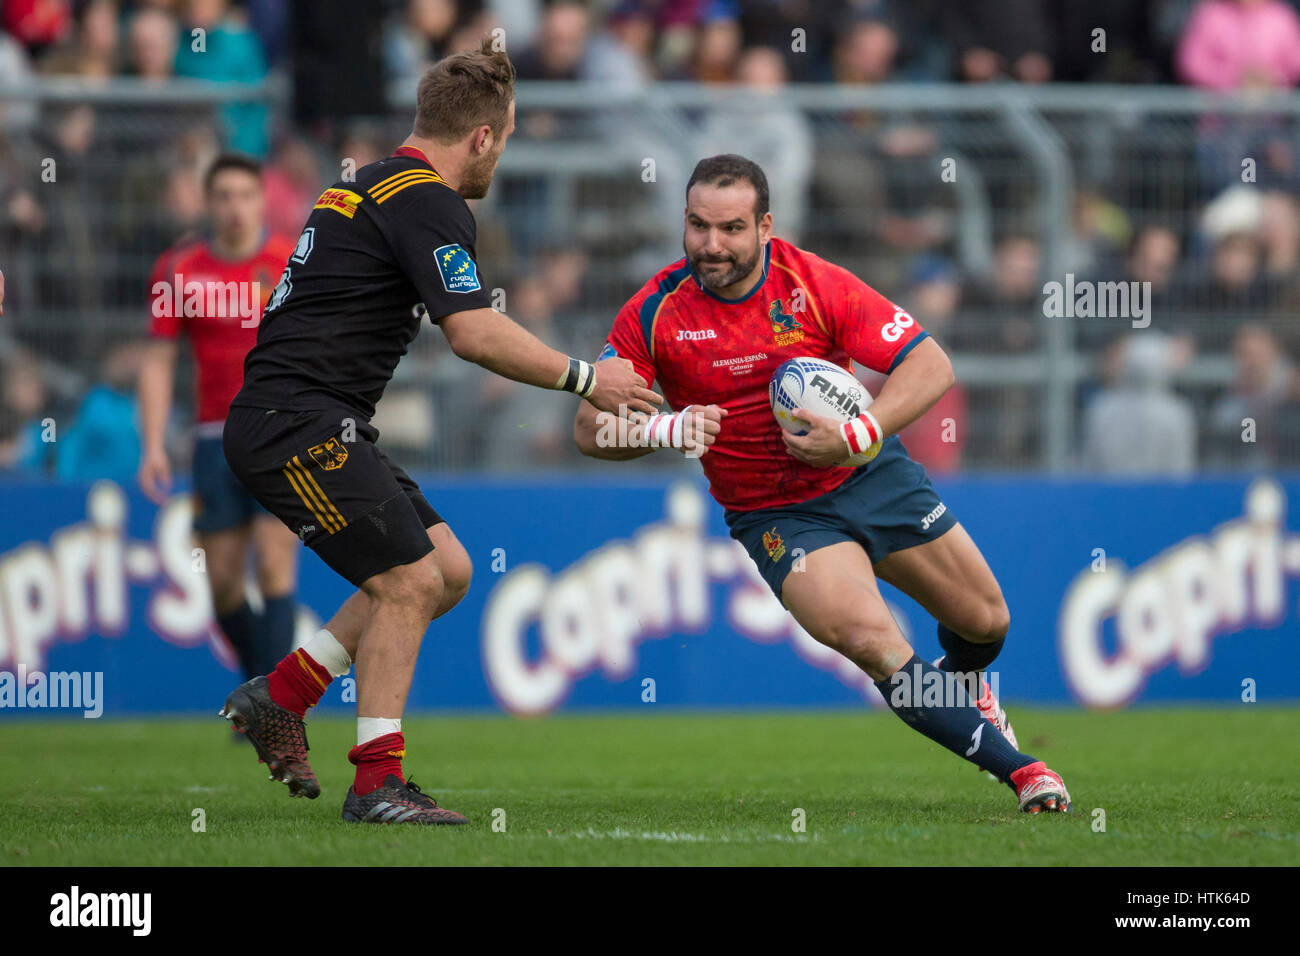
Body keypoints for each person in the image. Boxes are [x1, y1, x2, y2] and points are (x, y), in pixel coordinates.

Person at [219, 38, 658, 825]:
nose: (502, 157)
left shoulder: (364, 181)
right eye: (507, 137)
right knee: (412, 581)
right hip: (295, 422)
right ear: (482, 137)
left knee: (447, 569)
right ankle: (376, 784)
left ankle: (283, 694)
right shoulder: (430, 198)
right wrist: (589, 378)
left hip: (307, 416)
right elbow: (473, 332)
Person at [574, 155, 1070, 815]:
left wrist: (860, 433)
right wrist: (666, 430)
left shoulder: (812, 283)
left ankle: (965, 689)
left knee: (984, 621)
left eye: (730, 228)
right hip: (777, 513)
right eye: (697, 226)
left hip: (869, 472)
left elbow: (930, 363)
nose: (711, 244)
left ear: (765, 226)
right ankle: (1025, 772)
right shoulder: (656, 312)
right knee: (869, 637)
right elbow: (588, 428)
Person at [138, 154, 301, 682]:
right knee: (224, 582)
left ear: (262, 201)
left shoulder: (289, 263)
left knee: (276, 567)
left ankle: (275, 709)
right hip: (215, 438)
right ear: (209, 203)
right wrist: (153, 444)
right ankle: (260, 686)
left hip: (281, 431)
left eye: (245, 195)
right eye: (224, 196)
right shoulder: (179, 269)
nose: (235, 207)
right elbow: (160, 359)